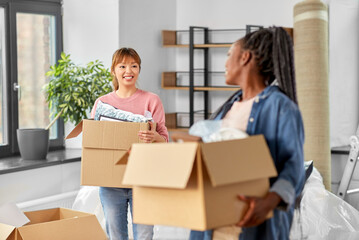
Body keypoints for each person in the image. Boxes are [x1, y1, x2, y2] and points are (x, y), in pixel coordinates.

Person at [189, 27, 305, 240]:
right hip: (213, 221)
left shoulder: (281, 107)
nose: (225, 63)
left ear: (245, 57)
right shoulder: (228, 107)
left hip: (255, 225)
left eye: (228, 55)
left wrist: (269, 201)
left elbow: (294, 166)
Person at [90, 47, 169, 240]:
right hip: (111, 183)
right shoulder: (102, 103)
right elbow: (95, 142)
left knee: (144, 234)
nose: (129, 71)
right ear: (113, 70)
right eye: (123, 66)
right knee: (116, 235)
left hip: (143, 180)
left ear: (139, 69)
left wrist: (154, 138)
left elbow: (165, 140)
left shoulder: (151, 100)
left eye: (134, 66)